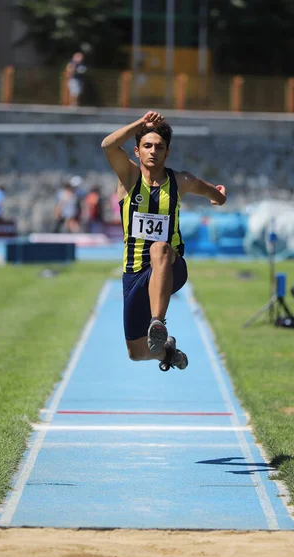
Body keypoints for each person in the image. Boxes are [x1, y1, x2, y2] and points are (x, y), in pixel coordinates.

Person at [101, 111, 226, 371]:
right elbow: (108, 145)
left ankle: (157, 323)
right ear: (137, 151)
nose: (153, 151)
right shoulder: (128, 177)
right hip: (134, 272)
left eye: (159, 147)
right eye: (147, 146)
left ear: (167, 153)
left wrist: (218, 197)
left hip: (171, 266)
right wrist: (141, 124)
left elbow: (214, 194)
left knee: (160, 249)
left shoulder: (180, 181)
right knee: (136, 353)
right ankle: (168, 353)